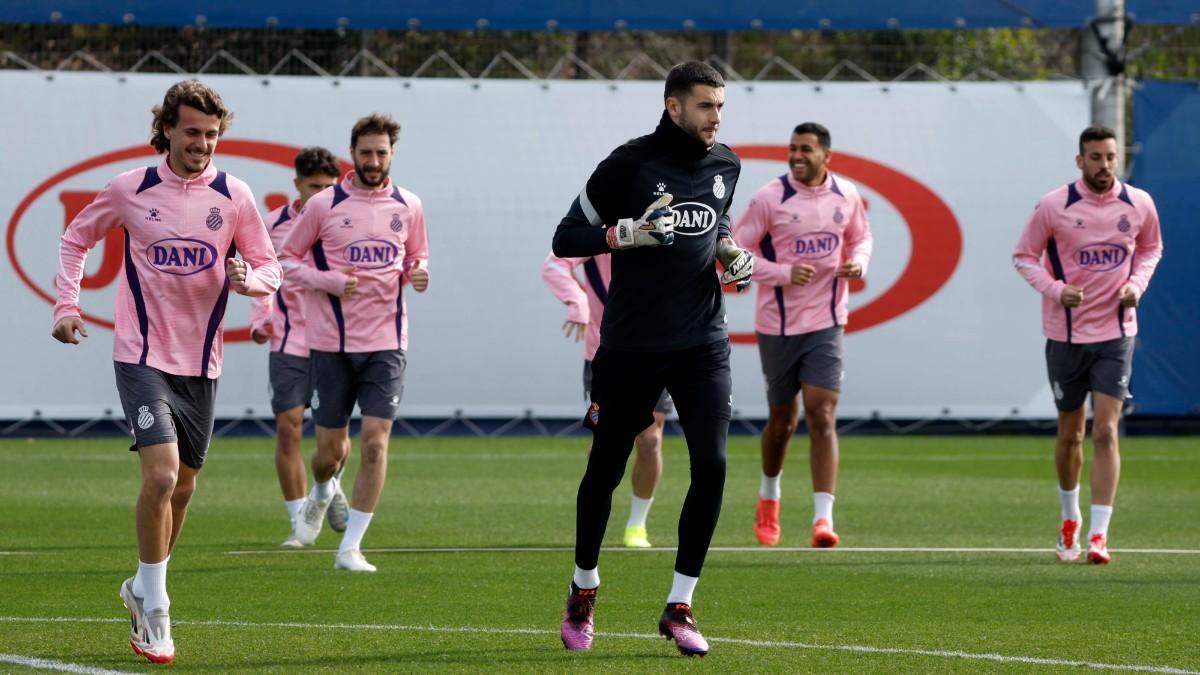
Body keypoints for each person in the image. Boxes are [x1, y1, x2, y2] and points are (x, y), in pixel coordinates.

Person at [51, 80, 281, 663]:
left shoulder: (235, 195)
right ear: (168, 131)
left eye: (211, 134)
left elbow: (269, 267)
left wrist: (249, 284)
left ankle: (139, 583)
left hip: (201, 363)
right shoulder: (130, 189)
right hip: (141, 355)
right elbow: (77, 238)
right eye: (192, 132)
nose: (202, 143)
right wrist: (67, 305)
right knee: (159, 477)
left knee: (183, 488)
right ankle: (156, 609)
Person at [552, 61, 753, 657]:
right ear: (672, 106)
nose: (716, 118)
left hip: (703, 344)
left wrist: (730, 253)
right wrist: (621, 235)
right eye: (705, 106)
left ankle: (680, 605)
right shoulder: (628, 164)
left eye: (720, 106)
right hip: (631, 348)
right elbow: (565, 238)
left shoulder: (727, 165)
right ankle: (584, 589)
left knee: (712, 465)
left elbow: (713, 228)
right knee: (605, 470)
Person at [278, 113, 430, 573]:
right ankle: (323, 490)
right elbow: (285, 259)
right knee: (329, 453)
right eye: (366, 152)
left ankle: (351, 549)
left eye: (381, 152)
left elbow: (417, 255)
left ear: (392, 154)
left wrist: (419, 271)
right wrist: (326, 280)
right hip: (331, 345)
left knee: (376, 444)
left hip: (387, 344)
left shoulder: (409, 206)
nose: (373, 160)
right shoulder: (324, 205)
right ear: (354, 153)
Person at [1013, 126, 1162, 565]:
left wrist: (1137, 284)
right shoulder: (1054, 205)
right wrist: (1056, 289)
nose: (1104, 166)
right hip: (1066, 335)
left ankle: (1100, 534)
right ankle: (1069, 518)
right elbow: (1023, 255)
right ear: (1080, 161)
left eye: (1111, 157)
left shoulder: (1139, 204)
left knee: (1105, 430)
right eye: (1095, 158)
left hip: (1116, 333)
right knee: (1070, 434)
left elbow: (1151, 248)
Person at [731, 122, 873, 548]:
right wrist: (783, 273)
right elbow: (735, 253)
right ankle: (769, 498)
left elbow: (861, 238)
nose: (797, 155)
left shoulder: (846, 195)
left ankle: (822, 520)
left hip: (827, 322)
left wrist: (859, 263)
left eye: (806, 149)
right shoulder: (769, 198)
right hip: (778, 325)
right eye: (793, 148)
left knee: (821, 413)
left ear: (825, 156)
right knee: (782, 422)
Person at [248, 147, 352, 547]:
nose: (322, 193)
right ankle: (299, 522)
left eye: (329, 186)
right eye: (314, 187)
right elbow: (262, 273)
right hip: (289, 338)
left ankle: (326, 490)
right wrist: (262, 318)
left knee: (334, 436)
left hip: (337, 339)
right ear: (297, 185)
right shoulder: (272, 223)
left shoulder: (346, 222)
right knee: (288, 426)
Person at [542, 252, 671, 548]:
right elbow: (554, 264)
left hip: (658, 352)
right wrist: (578, 301)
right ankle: (594, 515)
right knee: (606, 444)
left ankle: (637, 526)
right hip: (604, 354)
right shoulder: (599, 224)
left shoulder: (665, 216)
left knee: (650, 439)